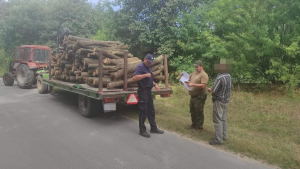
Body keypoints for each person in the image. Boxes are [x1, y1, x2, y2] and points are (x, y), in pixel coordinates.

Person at [133, 54, 164, 138]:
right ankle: (142, 130)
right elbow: (135, 78)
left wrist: (155, 84)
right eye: (149, 61)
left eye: (151, 62)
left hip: (148, 91)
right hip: (143, 91)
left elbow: (150, 78)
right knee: (144, 111)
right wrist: (145, 75)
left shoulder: (148, 67)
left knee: (151, 110)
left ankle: (153, 128)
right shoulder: (140, 67)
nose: (150, 63)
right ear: (145, 59)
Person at [208, 59, 232, 145]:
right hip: (226, 101)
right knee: (224, 119)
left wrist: (209, 89)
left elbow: (213, 90)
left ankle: (218, 140)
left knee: (217, 120)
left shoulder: (220, 78)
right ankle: (225, 136)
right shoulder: (229, 76)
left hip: (219, 101)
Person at [185, 60, 209, 130]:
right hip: (193, 95)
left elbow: (203, 85)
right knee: (192, 111)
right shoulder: (194, 73)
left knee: (199, 111)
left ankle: (199, 127)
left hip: (199, 96)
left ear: (201, 66)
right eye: (195, 67)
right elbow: (188, 77)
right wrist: (183, 75)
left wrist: (193, 84)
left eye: (197, 67)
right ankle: (194, 124)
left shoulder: (204, 75)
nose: (196, 68)